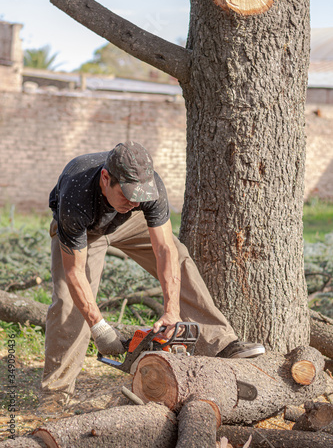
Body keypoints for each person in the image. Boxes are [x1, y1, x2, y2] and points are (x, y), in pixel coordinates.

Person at [39, 141, 264, 413]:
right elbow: (75, 272)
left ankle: (221, 342)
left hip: (129, 224)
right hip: (86, 231)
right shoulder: (76, 194)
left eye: (140, 195)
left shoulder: (149, 189)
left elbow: (164, 249)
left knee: (179, 256)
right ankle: (56, 394)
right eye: (127, 193)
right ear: (106, 178)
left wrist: (172, 311)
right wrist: (99, 327)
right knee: (68, 302)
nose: (135, 200)